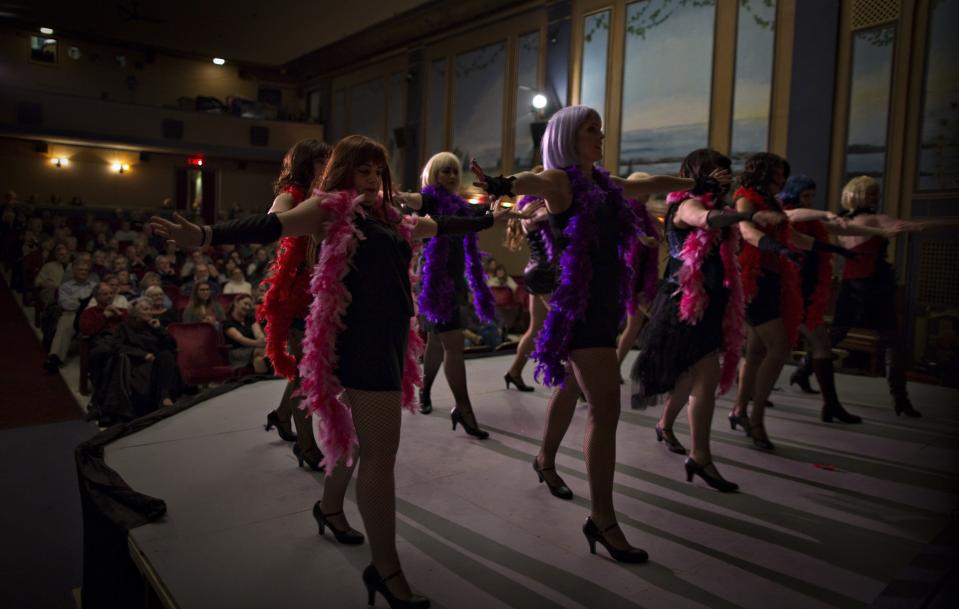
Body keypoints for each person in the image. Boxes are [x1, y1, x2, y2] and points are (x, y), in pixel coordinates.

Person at [151, 134, 518, 608]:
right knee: (381, 455)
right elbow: (271, 226)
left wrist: (490, 217)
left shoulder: (390, 216)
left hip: (390, 339)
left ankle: (328, 508)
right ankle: (386, 570)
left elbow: (441, 224)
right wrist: (203, 236)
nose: (369, 179)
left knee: (357, 443)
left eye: (376, 172)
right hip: (359, 343)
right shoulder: (327, 211)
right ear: (343, 173)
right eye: (361, 171)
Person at [472, 105, 703, 563]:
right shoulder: (561, 181)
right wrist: (502, 185)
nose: (601, 136)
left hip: (601, 306)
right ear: (567, 137)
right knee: (604, 408)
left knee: (571, 388)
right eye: (590, 130)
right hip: (576, 309)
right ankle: (602, 518)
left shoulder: (604, 183)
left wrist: (694, 186)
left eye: (600, 129)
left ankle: (544, 459)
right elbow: (531, 180)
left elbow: (646, 186)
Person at [630, 149, 783, 492]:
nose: (727, 178)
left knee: (692, 376)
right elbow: (704, 220)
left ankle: (678, 435)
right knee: (702, 376)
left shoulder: (721, 209)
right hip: (685, 303)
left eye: (728, 172)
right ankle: (700, 455)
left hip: (711, 303)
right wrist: (747, 214)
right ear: (699, 174)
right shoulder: (684, 205)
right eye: (719, 172)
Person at [730, 153, 842, 450]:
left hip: (772, 281)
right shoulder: (745, 198)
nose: (782, 178)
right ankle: (755, 420)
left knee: (755, 352)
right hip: (753, 282)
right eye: (778, 173)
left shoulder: (773, 203)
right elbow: (747, 230)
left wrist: (831, 249)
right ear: (763, 173)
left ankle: (740, 410)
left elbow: (794, 236)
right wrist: (776, 248)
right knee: (779, 347)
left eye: (783, 173)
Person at [395, 152, 503, 432]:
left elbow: (483, 215)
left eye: (455, 171)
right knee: (453, 344)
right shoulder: (431, 199)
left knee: (434, 341)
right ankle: (464, 409)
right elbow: (417, 200)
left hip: (453, 281)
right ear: (433, 175)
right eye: (446, 171)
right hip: (435, 282)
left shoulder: (459, 204)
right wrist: (402, 197)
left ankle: (425, 392)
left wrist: (513, 212)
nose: (453, 177)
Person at [827, 176, 931, 417]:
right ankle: (901, 400)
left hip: (850, 284)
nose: (877, 197)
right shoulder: (876, 219)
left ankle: (803, 371)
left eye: (876, 193)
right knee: (891, 341)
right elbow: (918, 227)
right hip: (872, 285)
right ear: (859, 195)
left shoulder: (842, 221)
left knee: (838, 335)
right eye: (872, 193)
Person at [259, 138, 331, 464]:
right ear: (307, 165)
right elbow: (272, 221)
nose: (327, 167)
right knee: (309, 373)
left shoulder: (326, 197)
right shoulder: (293, 195)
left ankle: (280, 414)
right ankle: (306, 445)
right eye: (321, 162)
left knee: (308, 370)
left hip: (322, 294)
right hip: (298, 298)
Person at [502, 183, 553, 392]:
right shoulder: (534, 208)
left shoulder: (530, 208)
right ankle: (575, 383)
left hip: (538, 272)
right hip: (542, 274)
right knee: (567, 323)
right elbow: (546, 215)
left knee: (535, 328)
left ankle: (514, 372)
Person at [616, 173, 666, 375]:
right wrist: (644, 238)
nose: (649, 194)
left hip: (642, 278)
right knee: (662, 321)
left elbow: (656, 231)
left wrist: (659, 233)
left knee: (633, 327)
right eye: (646, 189)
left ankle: (614, 367)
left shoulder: (644, 213)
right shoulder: (627, 212)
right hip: (633, 279)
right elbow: (633, 233)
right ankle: (660, 369)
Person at [44, 259, 96, 371]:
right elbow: (65, 303)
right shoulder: (65, 286)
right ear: (73, 271)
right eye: (80, 270)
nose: (83, 272)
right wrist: (84, 304)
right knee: (65, 323)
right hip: (72, 313)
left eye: (86, 270)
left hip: (92, 314)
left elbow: (99, 301)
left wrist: (79, 302)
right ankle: (55, 357)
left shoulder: (95, 286)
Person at [223, 294, 269, 373]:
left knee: (258, 360)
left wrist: (261, 339)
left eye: (249, 305)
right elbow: (241, 339)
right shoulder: (228, 321)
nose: (247, 307)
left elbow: (258, 333)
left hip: (253, 348)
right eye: (245, 304)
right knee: (263, 350)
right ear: (236, 302)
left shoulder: (249, 318)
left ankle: (263, 378)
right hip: (237, 352)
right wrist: (259, 344)